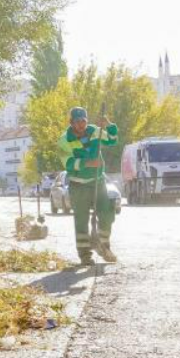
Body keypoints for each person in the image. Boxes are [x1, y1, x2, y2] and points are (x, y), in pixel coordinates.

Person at [58, 106, 119, 265]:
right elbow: (68, 163)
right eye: (77, 122)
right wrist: (88, 163)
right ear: (71, 122)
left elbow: (113, 140)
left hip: (98, 182)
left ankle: (102, 245)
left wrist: (108, 125)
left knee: (107, 213)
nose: (81, 125)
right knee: (81, 221)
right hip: (78, 186)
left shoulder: (94, 131)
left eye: (83, 121)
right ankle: (85, 256)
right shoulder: (64, 140)